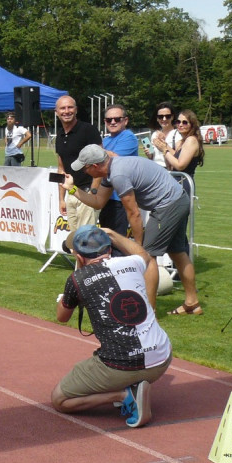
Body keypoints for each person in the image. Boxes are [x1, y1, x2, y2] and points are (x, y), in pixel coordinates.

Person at [52, 226, 172, 427]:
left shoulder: (77, 279)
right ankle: (133, 385)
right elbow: (145, 255)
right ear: (108, 249)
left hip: (120, 365)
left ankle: (123, 394)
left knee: (60, 400)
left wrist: (68, 293)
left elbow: (61, 317)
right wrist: (112, 234)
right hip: (161, 358)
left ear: (79, 257)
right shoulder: (132, 262)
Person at [67, 142, 201, 315]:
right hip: (178, 199)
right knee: (177, 252)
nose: (84, 173)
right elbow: (98, 202)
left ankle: (148, 314)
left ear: (94, 166)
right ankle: (192, 303)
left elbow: (134, 214)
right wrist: (71, 189)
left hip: (168, 205)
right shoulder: (111, 171)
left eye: (85, 169)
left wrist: (138, 248)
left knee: (147, 258)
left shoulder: (118, 175)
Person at [53, 95, 103, 232]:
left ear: (76, 110)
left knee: (86, 237)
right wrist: (61, 199)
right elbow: (61, 168)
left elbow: (101, 163)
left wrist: (93, 192)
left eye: (70, 107)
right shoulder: (60, 135)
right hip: (72, 192)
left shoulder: (88, 130)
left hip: (87, 192)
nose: (66, 111)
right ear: (56, 112)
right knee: (76, 238)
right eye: (62, 108)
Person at [96, 104, 139, 236]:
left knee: (116, 240)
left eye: (117, 119)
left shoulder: (128, 136)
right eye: (109, 120)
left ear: (125, 120)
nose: (113, 122)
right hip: (105, 197)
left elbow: (113, 160)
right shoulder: (105, 140)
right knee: (106, 239)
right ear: (105, 122)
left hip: (120, 198)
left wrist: (93, 150)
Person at [163, 109, 204, 183]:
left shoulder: (191, 140)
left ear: (192, 125)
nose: (180, 125)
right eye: (178, 122)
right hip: (175, 182)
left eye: (184, 122)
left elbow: (180, 165)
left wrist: (164, 150)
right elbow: (171, 164)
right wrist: (164, 145)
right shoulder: (182, 142)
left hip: (183, 183)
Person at [146, 102, 181, 168]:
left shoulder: (177, 134)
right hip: (155, 169)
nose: (164, 119)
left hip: (169, 171)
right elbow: (152, 158)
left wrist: (164, 145)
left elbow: (178, 157)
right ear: (157, 118)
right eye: (160, 117)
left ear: (172, 117)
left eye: (168, 116)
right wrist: (149, 154)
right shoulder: (154, 134)